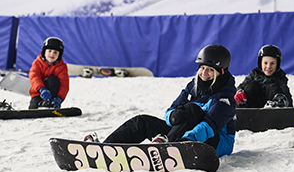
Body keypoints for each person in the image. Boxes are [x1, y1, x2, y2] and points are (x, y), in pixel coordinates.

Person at [85, 44, 236, 157]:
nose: (204, 73)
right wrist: (173, 117)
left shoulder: (225, 98)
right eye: (202, 67)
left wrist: (183, 141)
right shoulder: (194, 85)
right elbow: (171, 109)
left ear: (221, 72)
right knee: (142, 121)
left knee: (192, 110)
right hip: (180, 137)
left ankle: (166, 147)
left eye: (210, 70)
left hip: (213, 142)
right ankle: (106, 148)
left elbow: (209, 126)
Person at [28, 37, 69, 109]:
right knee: (33, 107)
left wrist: (59, 98)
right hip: (37, 93)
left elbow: (64, 84)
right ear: (44, 52)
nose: (52, 54)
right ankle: (40, 103)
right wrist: (41, 89)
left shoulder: (62, 67)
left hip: (53, 96)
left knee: (53, 79)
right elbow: (34, 77)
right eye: (49, 51)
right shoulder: (37, 63)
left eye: (55, 52)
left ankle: (50, 104)